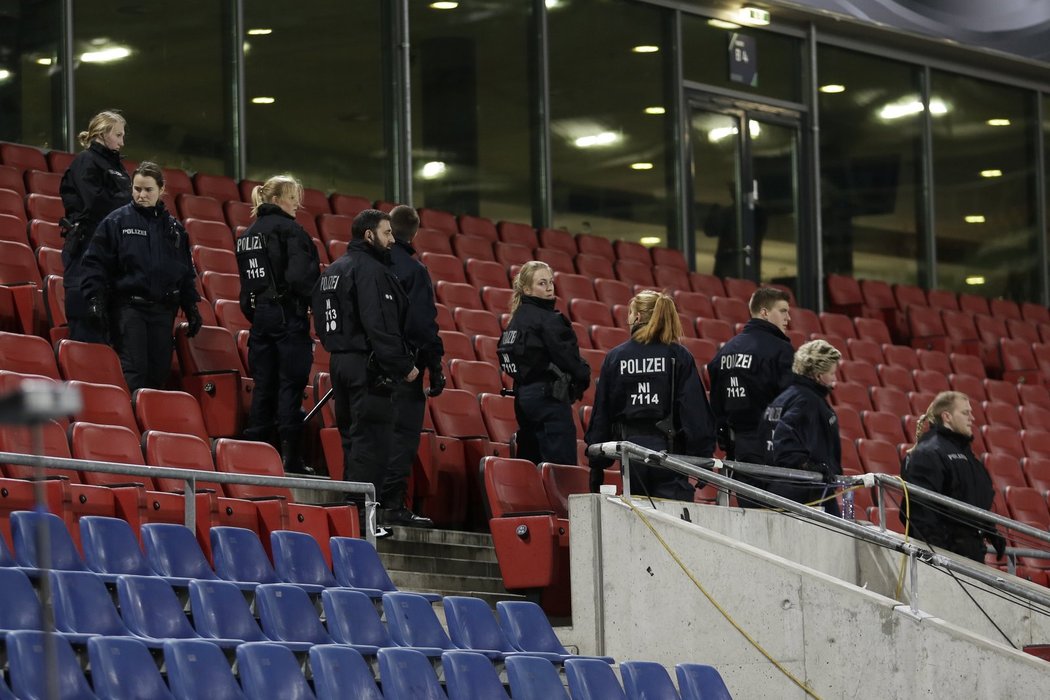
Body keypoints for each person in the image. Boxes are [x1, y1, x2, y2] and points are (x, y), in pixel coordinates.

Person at [312, 208, 417, 537]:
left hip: (339, 363)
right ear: (369, 235)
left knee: (352, 441)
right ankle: (363, 523)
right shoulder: (370, 270)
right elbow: (381, 326)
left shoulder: (333, 269)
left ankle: (352, 518)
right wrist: (405, 366)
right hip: (367, 366)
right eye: (387, 233)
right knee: (372, 443)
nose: (392, 239)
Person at [80, 162, 202, 392]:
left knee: (159, 372)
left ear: (161, 189)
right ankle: (133, 424)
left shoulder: (175, 230)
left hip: (163, 311)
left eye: (148, 190)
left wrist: (191, 306)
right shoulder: (117, 221)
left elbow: (184, 272)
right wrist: (94, 300)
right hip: (129, 308)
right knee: (135, 370)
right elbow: (95, 263)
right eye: (137, 189)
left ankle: (152, 424)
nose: (141, 195)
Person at [585, 290, 715, 500]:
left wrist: (597, 464)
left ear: (637, 317)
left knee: (638, 520)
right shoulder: (678, 355)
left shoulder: (615, 358)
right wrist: (703, 456)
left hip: (630, 455)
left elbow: (603, 413)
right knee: (672, 525)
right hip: (669, 455)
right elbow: (694, 411)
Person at [235, 175, 320, 475]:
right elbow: (300, 278)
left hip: (261, 320)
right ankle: (290, 459)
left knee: (264, 386)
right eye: (292, 196)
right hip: (288, 318)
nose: (297, 202)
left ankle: (255, 456)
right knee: (289, 387)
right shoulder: (292, 231)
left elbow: (246, 291)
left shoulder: (247, 235)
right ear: (277, 199)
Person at [382, 205, 444, 527]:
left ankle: (368, 501)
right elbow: (422, 324)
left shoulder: (370, 265)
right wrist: (435, 362)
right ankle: (392, 505)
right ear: (415, 232)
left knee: (374, 435)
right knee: (403, 436)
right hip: (405, 367)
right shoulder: (414, 271)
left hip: (372, 366)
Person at [498, 261, 590, 466]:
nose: (549, 287)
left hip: (523, 400)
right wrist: (584, 374)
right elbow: (569, 359)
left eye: (551, 282)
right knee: (560, 470)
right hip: (549, 400)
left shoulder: (515, 321)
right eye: (542, 283)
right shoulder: (548, 319)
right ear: (527, 289)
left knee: (531, 466)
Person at [901, 391, 1005, 562]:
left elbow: (973, 500)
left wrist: (990, 530)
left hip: (971, 553)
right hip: (947, 557)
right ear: (947, 416)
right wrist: (938, 556)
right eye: (965, 413)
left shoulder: (966, 455)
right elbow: (921, 511)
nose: (972, 418)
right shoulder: (929, 452)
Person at [59, 110, 132, 343]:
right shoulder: (86, 161)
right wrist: (129, 203)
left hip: (109, 255)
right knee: (87, 329)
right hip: (85, 252)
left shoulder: (118, 167)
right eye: (118, 135)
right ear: (102, 133)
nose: (122, 141)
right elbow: (97, 203)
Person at [707, 288, 794, 466]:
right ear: (765, 312)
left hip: (737, 447)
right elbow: (791, 401)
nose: (788, 318)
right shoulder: (780, 350)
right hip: (772, 446)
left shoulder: (724, 352)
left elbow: (716, 406)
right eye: (783, 311)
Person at [759, 339, 842, 515]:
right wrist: (810, 466)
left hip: (778, 487)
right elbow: (784, 440)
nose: (835, 379)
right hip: (805, 493)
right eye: (832, 373)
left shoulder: (782, 399)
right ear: (819, 375)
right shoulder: (808, 401)